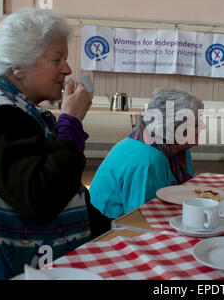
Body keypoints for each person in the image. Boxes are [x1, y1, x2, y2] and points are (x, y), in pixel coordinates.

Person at [0, 7, 93, 279]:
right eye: (57, 59)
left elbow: (69, 189)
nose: (68, 69)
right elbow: (40, 197)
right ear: (18, 65)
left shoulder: (12, 105)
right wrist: (71, 121)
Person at [88, 88, 205, 237]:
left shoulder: (178, 150)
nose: (203, 127)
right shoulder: (148, 159)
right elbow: (141, 222)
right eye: (197, 123)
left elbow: (183, 195)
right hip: (108, 230)